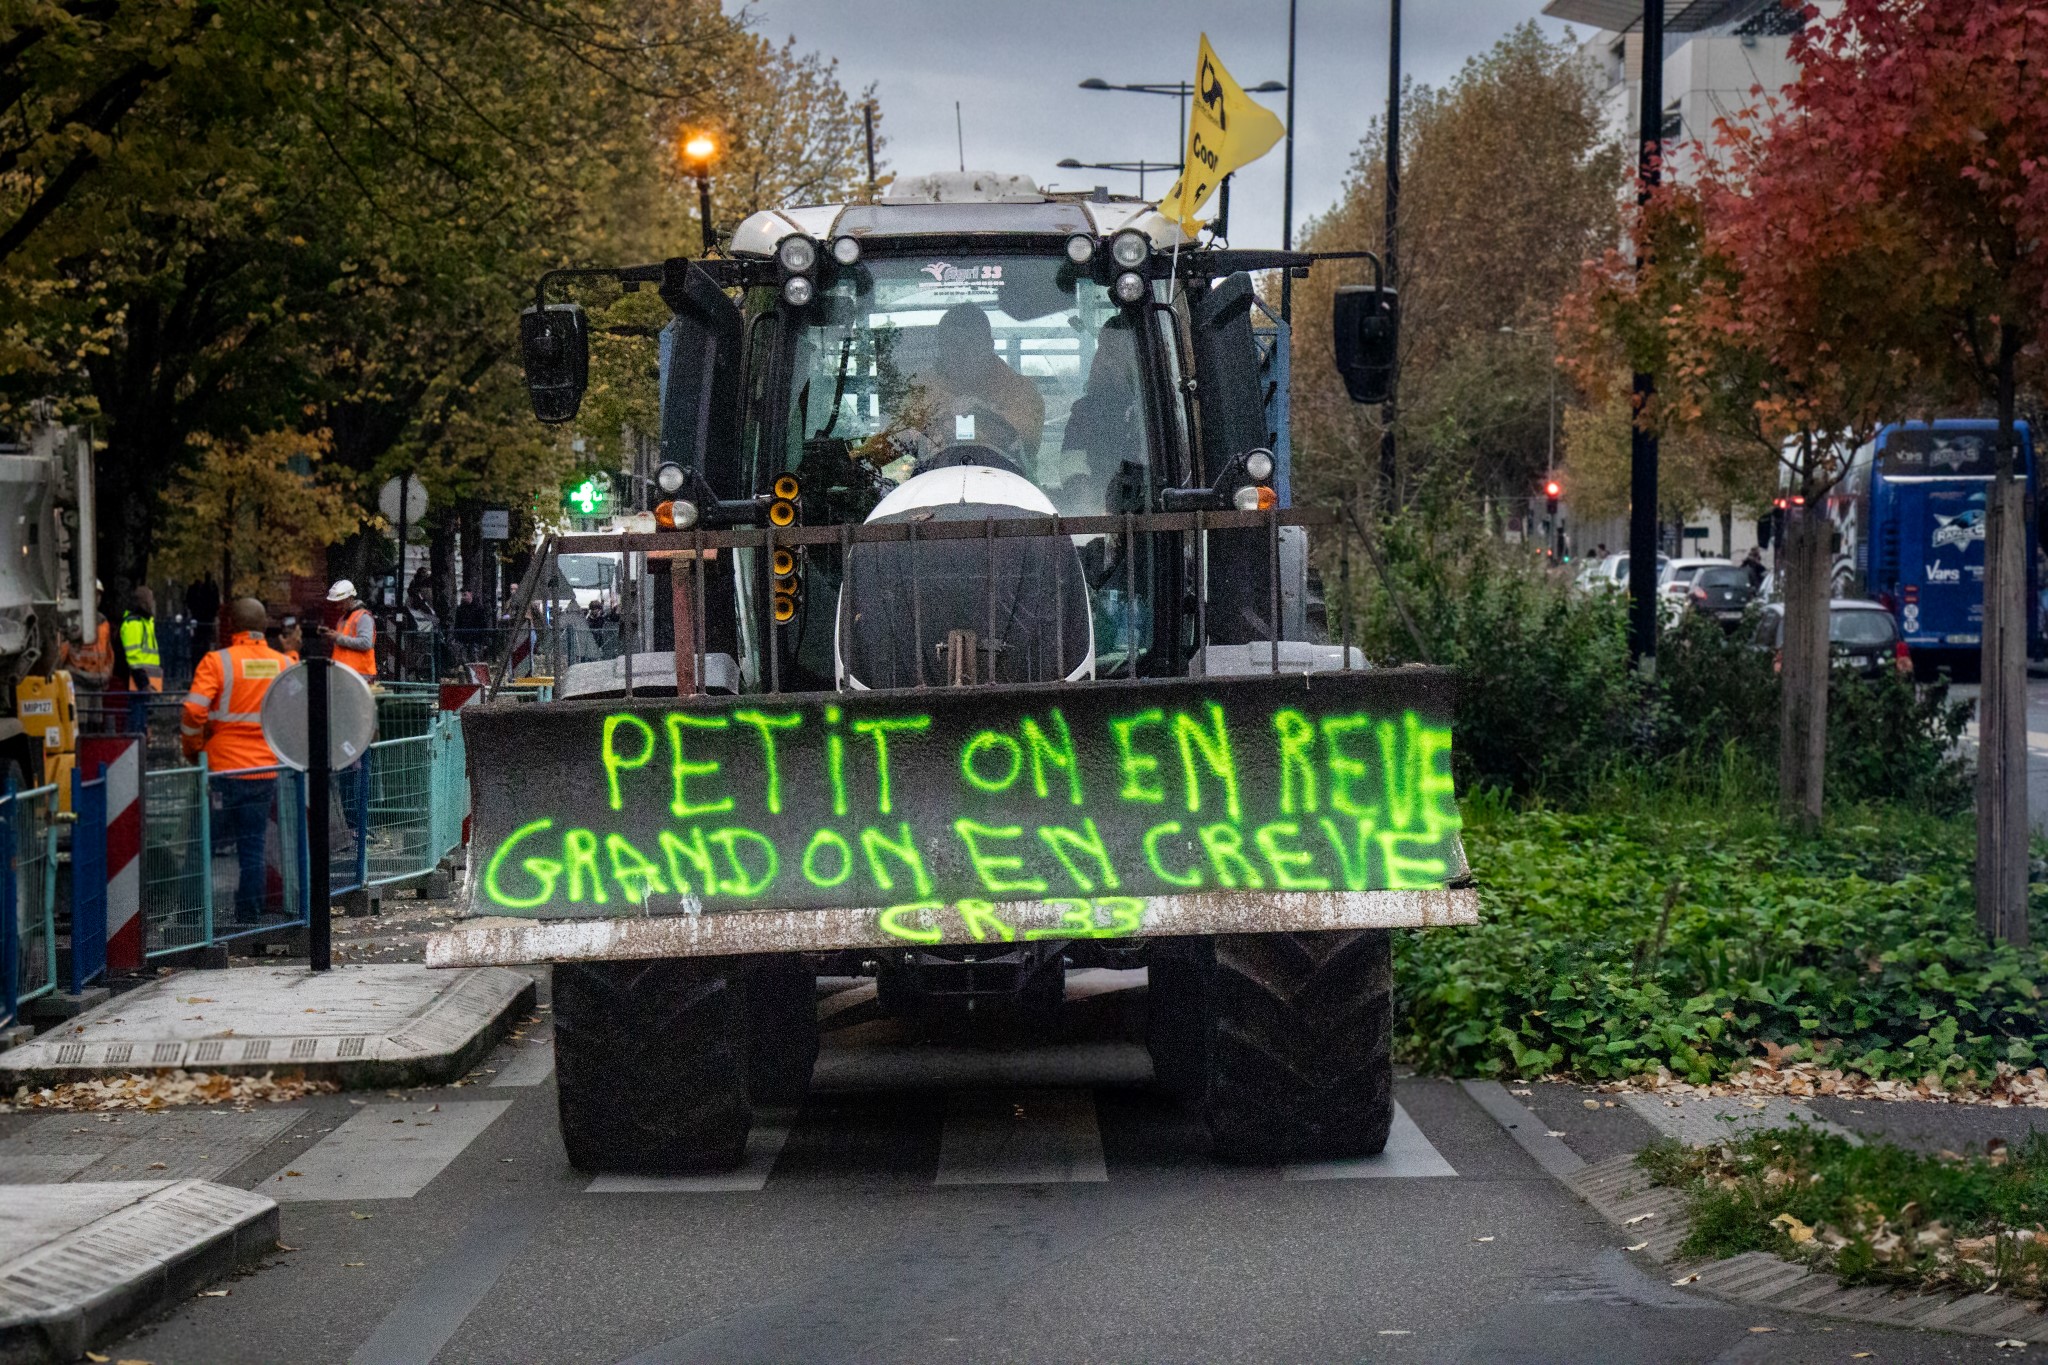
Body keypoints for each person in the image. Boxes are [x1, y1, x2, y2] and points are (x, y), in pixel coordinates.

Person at [180, 598, 293, 924]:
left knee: (202, 845)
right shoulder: (283, 664)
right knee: (253, 846)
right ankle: (249, 915)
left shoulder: (216, 662)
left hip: (222, 771)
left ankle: (190, 917)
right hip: (264, 769)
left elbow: (193, 711)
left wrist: (194, 748)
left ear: (230, 625)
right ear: (264, 625)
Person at [902, 303, 1045, 460]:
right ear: (941, 347)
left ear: (989, 345)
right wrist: (944, 416)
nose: (962, 352)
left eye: (972, 342)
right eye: (952, 343)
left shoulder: (1020, 391)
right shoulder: (918, 391)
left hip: (1004, 480)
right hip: (930, 480)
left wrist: (984, 414)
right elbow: (894, 447)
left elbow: (1027, 442)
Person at [324, 579, 376, 679]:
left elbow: (365, 643)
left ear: (350, 598)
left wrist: (338, 637)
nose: (338, 607)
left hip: (359, 673)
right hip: (346, 672)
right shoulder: (343, 618)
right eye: (336, 604)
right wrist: (334, 636)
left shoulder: (363, 617)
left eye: (341, 603)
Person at [453, 588, 490, 662]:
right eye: (462, 595)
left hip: (475, 638)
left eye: (465, 595)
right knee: (464, 659)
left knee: (475, 657)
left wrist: (484, 638)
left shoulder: (478, 608)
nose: (463, 597)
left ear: (470, 594)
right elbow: (457, 623)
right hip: (464, 638)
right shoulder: (460, 609)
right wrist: (457, 636)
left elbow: (483, 624)